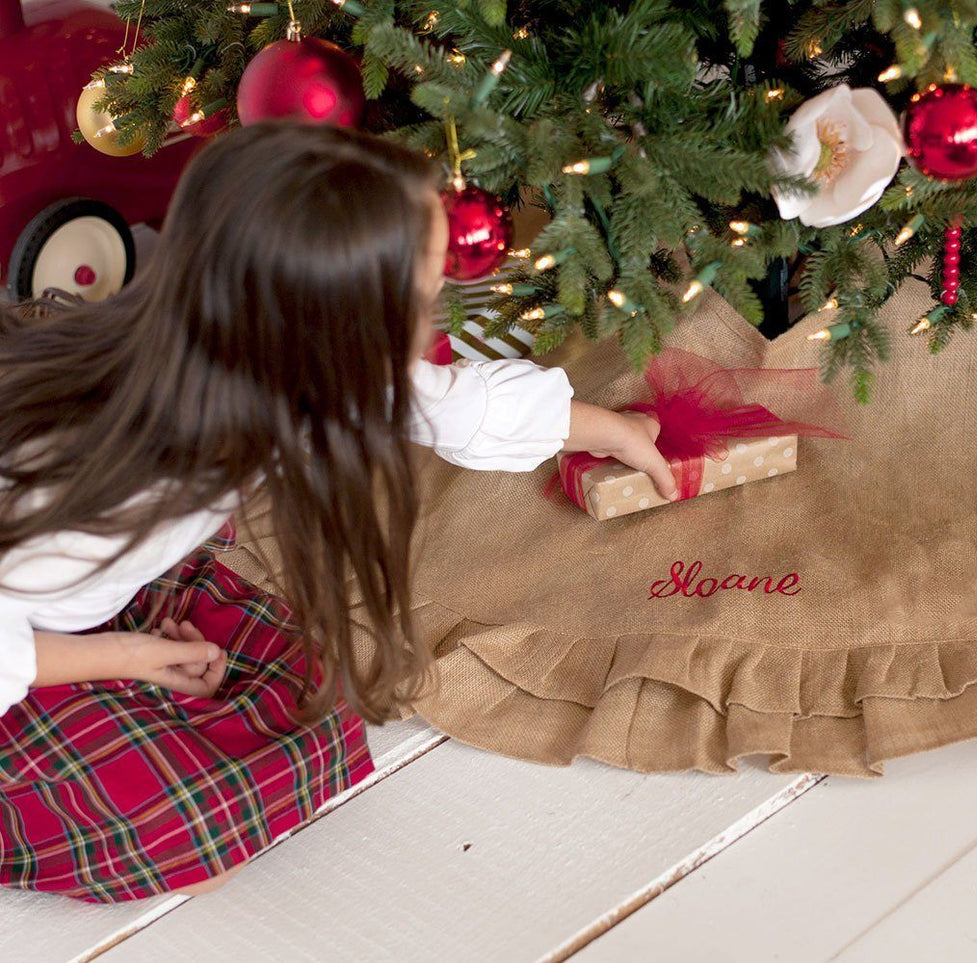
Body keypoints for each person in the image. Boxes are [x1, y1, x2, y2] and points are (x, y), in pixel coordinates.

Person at [0, 121, 679, 902]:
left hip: (85, 601)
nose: (430, 331)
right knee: (188, 823)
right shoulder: (106, 484)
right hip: (25, 646)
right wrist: (131, 657)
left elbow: (451, 407)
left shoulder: (258, 358)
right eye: (417, 309)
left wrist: (616, 431)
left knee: (309, 695)